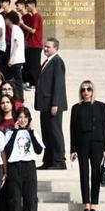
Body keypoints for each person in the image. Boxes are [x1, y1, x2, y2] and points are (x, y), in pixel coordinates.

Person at [70, 81, 105, 211]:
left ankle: (94, 204)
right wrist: (72, 149)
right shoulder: (76, 108)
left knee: (95, 174)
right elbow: (72, 130)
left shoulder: (101, 106)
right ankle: (86, 204)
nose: (86, 92)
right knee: (84, 173)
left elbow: (104, 127)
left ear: (93, 91)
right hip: (82, 144)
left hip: (97, 143)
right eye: (83, 90)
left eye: (88, 89)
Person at [5, 107, 43, 211]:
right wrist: (15, 132)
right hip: (15, 167)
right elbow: (7, 150)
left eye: (25, 117)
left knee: (31, 200)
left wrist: (31, 132)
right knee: (15, 200)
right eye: (20, 117)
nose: (22, 120)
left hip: (29, 167)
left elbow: (38, 150)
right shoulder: (10, 133)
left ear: (29, 119)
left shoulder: (32, 133)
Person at [35, 38, 67, 170]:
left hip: (53, 105)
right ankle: (48, 161)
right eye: (44, 46)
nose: (45, 49)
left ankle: (59, 161)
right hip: (45, 105)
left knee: (55, 132)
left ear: (56, 48)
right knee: (47, 133)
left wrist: (55, 104)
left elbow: (58, 84)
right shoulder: (47, 62)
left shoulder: (57, 62)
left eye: (48, 47)